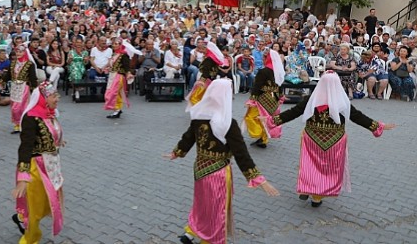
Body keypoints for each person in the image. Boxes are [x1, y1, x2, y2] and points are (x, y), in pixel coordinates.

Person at [166, 79, 279, 244]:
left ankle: (192, 231)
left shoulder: (199, 116)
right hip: (217, 173)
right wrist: (258, 178)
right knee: (216, 210)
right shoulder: (227, 123)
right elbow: (241, 154)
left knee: (201, 204)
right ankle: (210, 239)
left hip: (200, 169)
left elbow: (188, 138)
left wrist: (177, 152)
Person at [267, 72, 396, 207]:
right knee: (327, 169)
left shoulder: (312, 98)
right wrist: (378, 126)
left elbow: (293, 112)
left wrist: (272, 120)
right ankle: (316, 197)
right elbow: (357, 116)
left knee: (309, 165)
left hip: (312, 138)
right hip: (334, 140)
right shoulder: (341, 100)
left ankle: (307, 187)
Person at [11, 81, 65, 243]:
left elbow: (49, 132)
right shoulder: (31, 117)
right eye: (54, 96)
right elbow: (25, 147)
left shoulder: (49, 113)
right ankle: (29, 239)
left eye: (57, 95)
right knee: (33, 207)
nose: (57, 99)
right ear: (43, 97)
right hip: (36, 169)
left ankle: (22, 219)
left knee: (46, 202)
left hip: (51, 166)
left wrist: (57, 140)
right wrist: (22, 178)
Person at [243, 49, 286, 148]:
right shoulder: (278, 71)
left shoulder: (263, 71)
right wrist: (280, 96)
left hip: (262, 99)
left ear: (268, 58)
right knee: (266, 119)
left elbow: (257, 86)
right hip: (274, 100)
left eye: (264, 57)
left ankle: (258, 134)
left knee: (251, 117)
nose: (262, 59)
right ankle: (263, 139)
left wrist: (252, 99)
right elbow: (280, 85)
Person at [0, 45, 38, 133]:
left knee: (21, 107)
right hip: (14, 87)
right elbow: (8, 75)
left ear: (25, 52)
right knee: (14, 107)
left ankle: (24, 124)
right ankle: (17, 124)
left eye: (21, 52)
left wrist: (35, 89)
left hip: (24, 87)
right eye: (17, 51)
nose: (18, 53)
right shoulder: (13, 63)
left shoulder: (29, 64)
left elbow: (33, 78)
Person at [186, 42, 224, 107]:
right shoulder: (212, 58)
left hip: (206, 80)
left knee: (196, 97)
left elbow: (206, 72)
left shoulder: (209, 59)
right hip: (211, 79)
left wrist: (201, 81)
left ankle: (199, 110)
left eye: (203, 49)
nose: (201, 51)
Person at [104, 38, 131, 119]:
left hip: (119, 76)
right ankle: (117, 109)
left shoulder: (124, 55)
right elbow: (112, 65)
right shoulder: (114, 54)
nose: (114, 45)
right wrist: (108, 68)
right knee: (114, 93)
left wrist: (128, 73)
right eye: (113, 44)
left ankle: (117, 110)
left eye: (116, 44)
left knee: (113, 93)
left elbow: (127, 66)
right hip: (112, 75)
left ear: (120, 45)